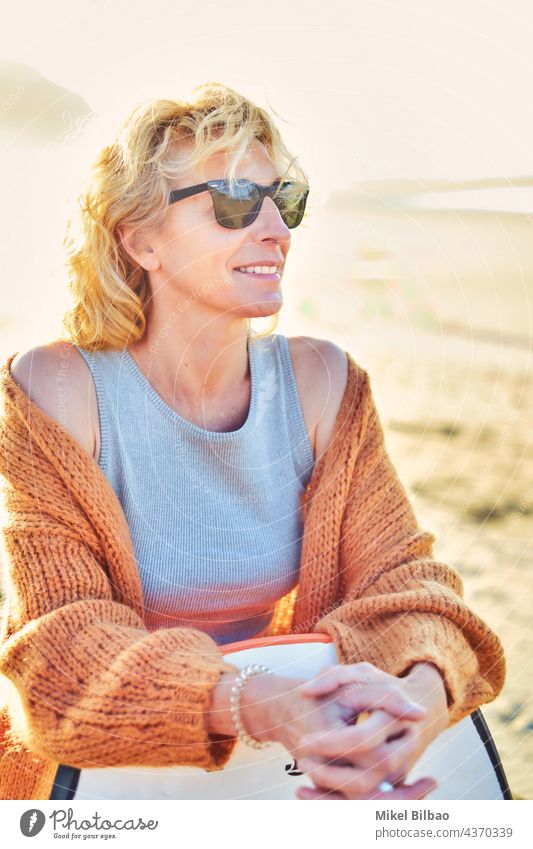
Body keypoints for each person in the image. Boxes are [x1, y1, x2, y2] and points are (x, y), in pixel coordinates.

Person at [0, 83, 505, 801]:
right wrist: (253, 699)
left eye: (284, 200)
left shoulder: (323, 382)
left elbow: (406, 584)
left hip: (280, 762)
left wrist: (423, 692)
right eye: (235, 200)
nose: (276, 228)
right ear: (141, 239)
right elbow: (59, 649)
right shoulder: (57, 389)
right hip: (102, 781)